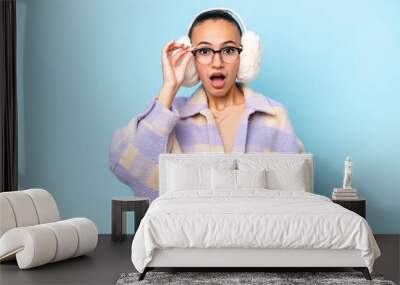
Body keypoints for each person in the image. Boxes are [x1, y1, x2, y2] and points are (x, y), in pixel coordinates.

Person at [108, 8, 304, 202]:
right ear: (192, 61)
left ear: (244, 58)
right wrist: (169, 87)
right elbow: (129, 169)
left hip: (258, 232)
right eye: (204, 51)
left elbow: (295, 195)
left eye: (228, 50)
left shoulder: (274, 116)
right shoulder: (170, 116)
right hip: (186, 233)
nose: (217, 63)